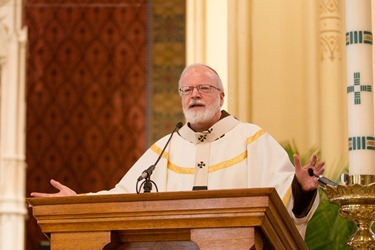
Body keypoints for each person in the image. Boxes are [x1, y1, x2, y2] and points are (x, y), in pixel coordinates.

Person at [31, 63, 325, 238]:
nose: (195, 95)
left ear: (221, 96)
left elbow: (287, 208)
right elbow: (124, 198)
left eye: (204, 88)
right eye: (187, 90)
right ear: (181, 98)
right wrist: (77, 203)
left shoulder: (253, 140)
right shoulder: (165, 148)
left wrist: (301, 189)